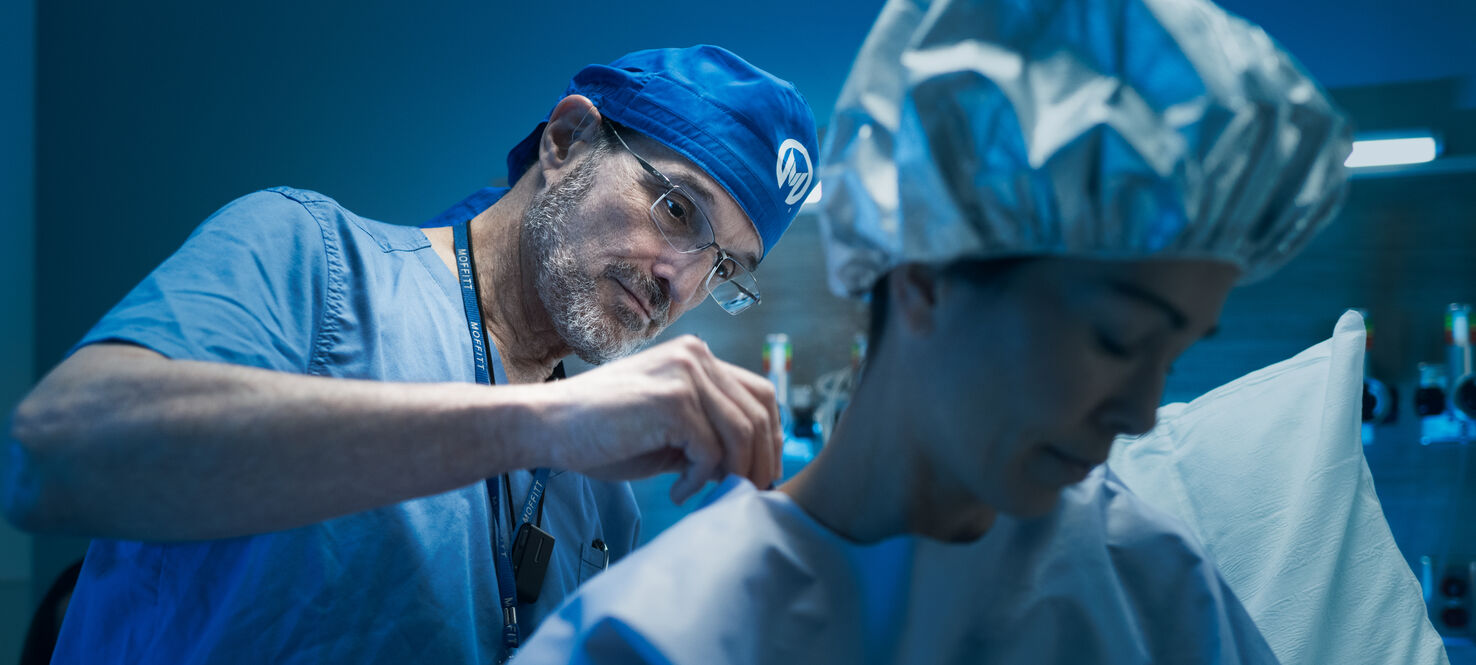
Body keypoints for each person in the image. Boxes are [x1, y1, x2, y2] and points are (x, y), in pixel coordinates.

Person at [512, 0, 1352, 663]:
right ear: (926, 278)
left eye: (1172, 358)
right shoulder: (661, 634)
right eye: (1115, 339)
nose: (1140, 412)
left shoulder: (1154, 587)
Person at [1, 45, 818, 664]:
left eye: (724, 269)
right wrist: (542, 423)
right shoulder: (309, 260)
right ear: (566, 140)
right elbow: (54, 454)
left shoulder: (607, 497)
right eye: (676, 209)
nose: (682, 278)